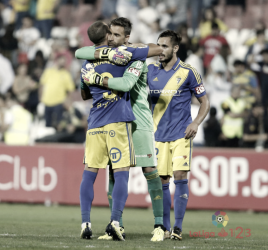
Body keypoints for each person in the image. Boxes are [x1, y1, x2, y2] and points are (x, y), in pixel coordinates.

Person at [75, 17, 167, 242]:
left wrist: (97, 78)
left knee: (150, 172)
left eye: (117, 35)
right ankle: (117, 225)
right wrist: (105, 54)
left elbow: (128, 82)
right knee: (115, 173)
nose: (113, 39)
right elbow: (80, 51)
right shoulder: (112, 56)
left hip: (140, 121)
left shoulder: (132, 55)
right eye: (111, 35)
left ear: (126, 37)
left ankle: (159, 225)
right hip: (117, 120)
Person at [148, 30, 209, 240]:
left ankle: (178, 227)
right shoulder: (149, 71)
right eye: (158, 45)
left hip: (181, 133)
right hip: (157, 135)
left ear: (175, 48)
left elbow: (205, 102)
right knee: (162, 180)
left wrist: (196, 122)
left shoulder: (189, 71)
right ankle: (164, 227)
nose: (159, 50)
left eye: (164, 46)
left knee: (180, 176)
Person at [39, 55, 75, 128]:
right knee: (47, 125)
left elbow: (71, 90)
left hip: (59, 103)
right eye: (61, 61)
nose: (62, 63)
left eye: (64, 62)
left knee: (58, 125)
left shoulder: (66, 74)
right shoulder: (48, 71)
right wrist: (40, 98)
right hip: (46, 102)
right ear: (57, 61)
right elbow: (41, 85)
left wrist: (67, 101)